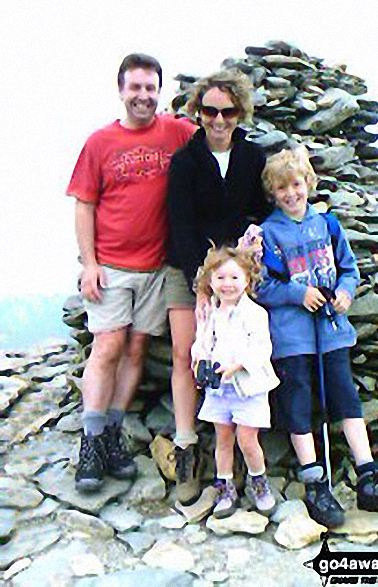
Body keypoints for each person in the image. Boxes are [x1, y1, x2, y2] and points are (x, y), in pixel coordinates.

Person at [257, 147, 378, 527]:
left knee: (345, 396)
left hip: (331, 330)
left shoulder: (327, 225)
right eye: (282, 188)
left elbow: (348, 269)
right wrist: (298, 293)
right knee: (297, 398)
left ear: (309, 183)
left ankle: (369, 476)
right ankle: (314, 480)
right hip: (291, 336)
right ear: (273, 193)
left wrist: (345, 292)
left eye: (297, 184)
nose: (291, 193)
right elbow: (261, 286)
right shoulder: (266, 233)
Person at [66, 53, 195, 493]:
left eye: (150, 87)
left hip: (158, 267)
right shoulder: (100, 142)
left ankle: (113, 434)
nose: (143, 95)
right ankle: (92, 440)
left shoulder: (177, 131)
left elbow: (219, 143)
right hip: (112, 266)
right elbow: (84, 203)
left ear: (159, 91)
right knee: (107, 348)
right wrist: (89, 263)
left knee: (137, 349)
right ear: (121, 90)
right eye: (135, 87)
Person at [165, 69, 271, 505]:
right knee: (185, 351)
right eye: (209, 110)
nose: (218, 119)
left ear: (239, 112)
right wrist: (201, 283)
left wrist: (239, 269)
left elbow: (260, 212)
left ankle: (254, 456)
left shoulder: (253, 158)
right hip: (191, 267)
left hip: (239, 274)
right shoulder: (185, 162)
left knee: (246, 347)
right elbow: (181, 224)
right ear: (197, 112)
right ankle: (189, 446)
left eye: (227, 111)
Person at [191, 246, 279, 518]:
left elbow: (262, 348)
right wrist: (200, 363)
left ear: (247, 281)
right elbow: (201, 344)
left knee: (247, 438)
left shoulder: (255, 314)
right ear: (209, 281)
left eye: (234, 278)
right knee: (223, 439)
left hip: (248, 388)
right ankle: (225, 486)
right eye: (219, 278)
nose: (226, 284)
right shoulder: (210, 314)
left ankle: (258, 481)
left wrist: (237, 365)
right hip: (219, 389)